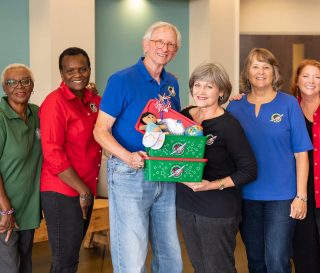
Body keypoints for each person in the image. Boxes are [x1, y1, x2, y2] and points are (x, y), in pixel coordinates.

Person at [93, 21, 183, 273]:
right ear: (146, 45)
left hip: (164, 173)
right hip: (129, 173)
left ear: (175, 51)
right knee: (132, 257)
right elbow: (100, 130)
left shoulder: (171, 84)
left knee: (170, 257)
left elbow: (174, 126)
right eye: (159, 42)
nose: (164, 48)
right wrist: (127, 157)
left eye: (171, 44)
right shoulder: (121, 80)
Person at [227, 48, 312, 273]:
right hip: (246, 195)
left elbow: (301, 153)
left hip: (282, 197)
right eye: (255, 66)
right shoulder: (235, 106)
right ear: (247, 72)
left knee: (277, 260)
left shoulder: (289, 104)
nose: (261, 72)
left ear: (274, 72)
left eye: (266, 67)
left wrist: (301, 196)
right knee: (255, 260)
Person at [176, 63, 257, 273]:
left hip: (217, 208)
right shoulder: (184, 115)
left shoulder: (229, 125)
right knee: (199, 266)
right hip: (186, 203)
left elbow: (249, 170)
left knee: (218, 268)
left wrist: (212, 185)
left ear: (221, 91)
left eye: (209, 86)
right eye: (197, 85)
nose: (201, 91)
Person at [39, 47, 101, 273]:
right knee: (64, 260)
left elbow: (104, 126)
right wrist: (82, 191)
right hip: (63, 192)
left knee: (72, 256)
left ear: (89, 70)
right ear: (61, 73)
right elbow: (53, 154)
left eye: (83, 69)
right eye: (71, 70)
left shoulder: (92, 100)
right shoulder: (54, 102)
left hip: (86, 188)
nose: (78, 74)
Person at [0, 63, 42, 273]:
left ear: (32, 85)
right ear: (4, 88)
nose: (19, 86)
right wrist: (5, 208)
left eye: (25, 81)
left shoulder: (36, 113)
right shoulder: (0, 117)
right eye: (11, 82)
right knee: (9, 267)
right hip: (4, 210)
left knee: (25, 264)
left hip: (28, 207)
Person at [291, 59, 320, 273]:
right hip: (300, 192)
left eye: (318, 77)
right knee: (304, 254)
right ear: (297, 80)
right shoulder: (288, 107)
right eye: (306, 76)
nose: (312, 81)